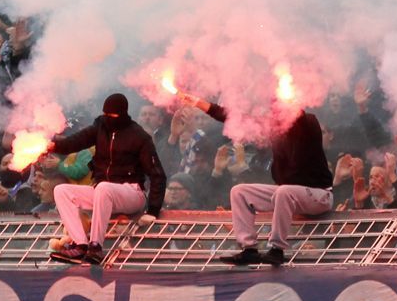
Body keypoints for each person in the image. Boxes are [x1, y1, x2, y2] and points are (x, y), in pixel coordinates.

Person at [172, 90, 333, 267]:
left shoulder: (308, 122)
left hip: (319, 195)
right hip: (287, 194)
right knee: (240, 192)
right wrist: (199, 103)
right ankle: (249, 249)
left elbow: (300, 119)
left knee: (284, 191)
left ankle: (277, 249)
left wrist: (292, 102)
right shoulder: (274, 128)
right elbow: (232, 117)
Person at [45, 93, 167, 265]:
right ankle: (80, 244)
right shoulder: (100, 126)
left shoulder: (139, 136)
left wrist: (153, 210)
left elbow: (157, 174)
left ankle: (96, 246)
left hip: (132, 192)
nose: (109, 119)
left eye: (113, 116)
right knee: (61, 190)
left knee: (103, 187)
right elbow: (76, 141)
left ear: (123, 114)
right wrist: (54, 146)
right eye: (106, 114)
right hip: (103, 192)